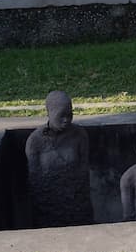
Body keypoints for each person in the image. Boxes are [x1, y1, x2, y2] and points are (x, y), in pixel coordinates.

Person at [25, 90, 93, 226]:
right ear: (49, 113)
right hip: (48, 205)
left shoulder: (79, 135)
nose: (66, 120)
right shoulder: (35, 141)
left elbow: (83, 171)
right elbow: (34, 178)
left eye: (70, 114)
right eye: (61, 115)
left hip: (76, 202)